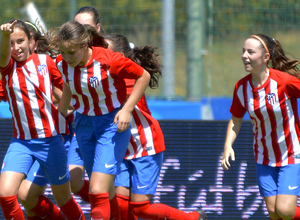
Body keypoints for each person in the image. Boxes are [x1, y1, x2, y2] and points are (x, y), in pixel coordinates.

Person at [50, 20, 151, 220]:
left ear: (84, 44)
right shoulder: (62, 64)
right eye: (63, 52)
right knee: (106, 190)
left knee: (97, 190)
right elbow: (69, 87)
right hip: (84, 126)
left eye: (71, 52)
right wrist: (58, 117)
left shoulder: (107, 59)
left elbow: (144, 76)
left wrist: (127, 110)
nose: (66, 58)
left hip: (110, 125)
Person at [104, 33, 207, 220]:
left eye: (106, 53)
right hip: (122, 148)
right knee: (119, 203)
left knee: (141, 208)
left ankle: (192, 218)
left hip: (145, 147)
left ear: (121, 58)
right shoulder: (105, 79)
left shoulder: (127, 79)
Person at [0, 19, 85, 220]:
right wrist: (3, 35)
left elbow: (65, 87)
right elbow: (3, 55)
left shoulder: (45, 62)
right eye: (11, 43)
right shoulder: (7, 67)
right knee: (5, 193)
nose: (15, 47)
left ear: (31, 41)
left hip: (51, 142)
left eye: (20, 41)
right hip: (21, 142)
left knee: (64, 199)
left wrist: (63, 109)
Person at [221, 34, 300, 220]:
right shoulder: (241, 87)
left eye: (250, 52)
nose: (244, 56)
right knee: (274, 213)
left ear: (266, 58)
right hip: (264, 157)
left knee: (286, 211)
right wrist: (227, 146)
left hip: (291, 154)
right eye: (243, 51)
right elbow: (236, 119)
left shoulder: (283, 82)